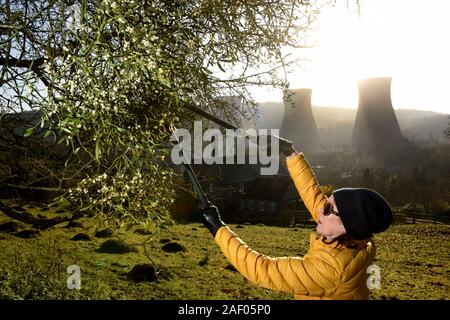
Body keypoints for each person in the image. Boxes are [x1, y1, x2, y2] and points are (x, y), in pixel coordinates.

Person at [201, 141, 393, 300]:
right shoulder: (362, 242)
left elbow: (263, 269)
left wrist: (218, 228)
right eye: (326, 202)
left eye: (327, 208)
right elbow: (314, 196)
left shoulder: (331, 271)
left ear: (347, 226)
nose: (319, 209)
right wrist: (290, 154)